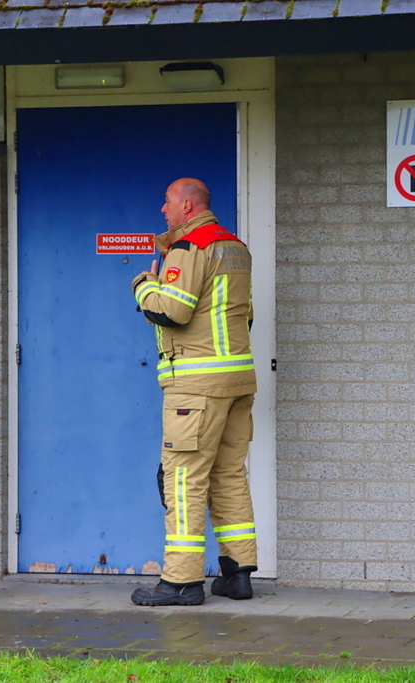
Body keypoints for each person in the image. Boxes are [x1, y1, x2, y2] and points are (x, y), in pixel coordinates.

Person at [129, 178, 258, 606]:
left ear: (187, 205)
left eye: (167, 203)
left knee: (183, 480)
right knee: (229, 476)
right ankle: (237, 575)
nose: (162, 210)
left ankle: (181, 582)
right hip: (237, 380)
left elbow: (173, 311)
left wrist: (144, 284)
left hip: (197, 386)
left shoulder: (191, 248)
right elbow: (246, 316)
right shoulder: (235, 247)